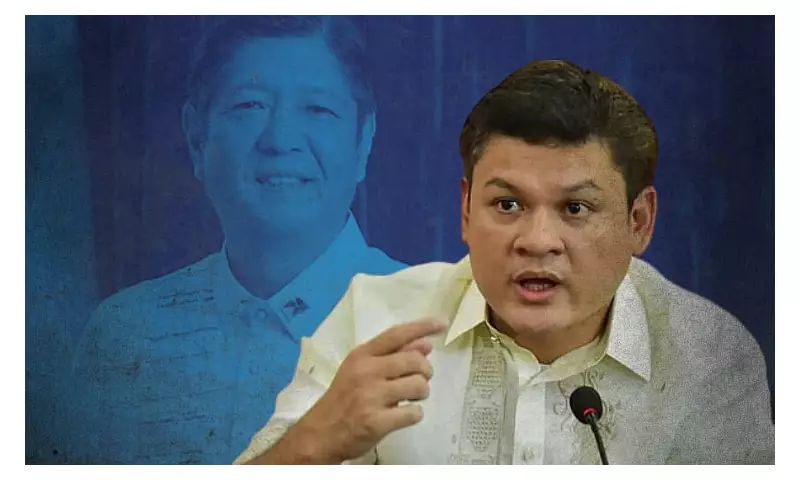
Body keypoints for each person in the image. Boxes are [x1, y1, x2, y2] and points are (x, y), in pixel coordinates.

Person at [234, 59, 775, 465]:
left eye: (576, 208)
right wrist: (313, 444)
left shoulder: (706, 357)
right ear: (466, 210)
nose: (537, 242)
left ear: (639, 221)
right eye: (508, 204)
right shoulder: (377, 323)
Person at [66, 16, 406, 465]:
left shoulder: (433, 321)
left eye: (318, 109)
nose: (280, 140)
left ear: (363, 141)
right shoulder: (124, 336)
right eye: (249, 105)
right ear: (196, 138)